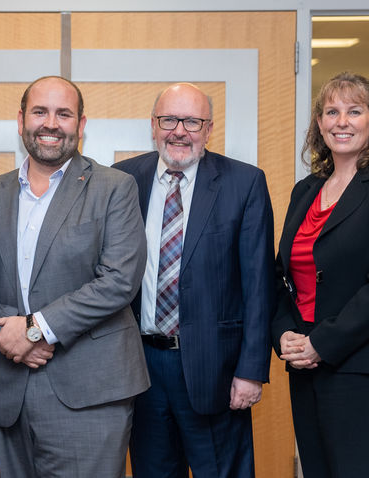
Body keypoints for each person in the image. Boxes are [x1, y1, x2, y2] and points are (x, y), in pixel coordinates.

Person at [0, 76, 149, 477]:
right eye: (40, 112)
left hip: (88, 389)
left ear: (80, 124)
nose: (51, 123)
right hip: (6, 386)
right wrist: (8, 336)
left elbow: (118, 279)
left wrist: (33, 330)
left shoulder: (115, 188)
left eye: (64, 114)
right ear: (22, 118)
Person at [113, 82, 275, 478]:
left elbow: (258, 285)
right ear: (153, 125)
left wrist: (251, 370)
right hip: (142, 366)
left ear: (209, 128)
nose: (180, 130)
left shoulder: (244, 183)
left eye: (192, 121)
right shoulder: (122, 180)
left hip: (216, 370)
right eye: (169, 119)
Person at [271, 72, 369, 478]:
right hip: (306, 366)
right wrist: (284, 332)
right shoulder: (306, 190)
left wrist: (323, 342)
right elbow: (282, 276)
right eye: (332, 111)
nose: (342, 121)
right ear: (320, 124)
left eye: (354, 111)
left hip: (365, 369)